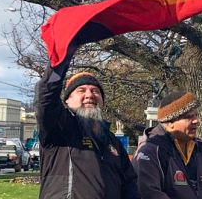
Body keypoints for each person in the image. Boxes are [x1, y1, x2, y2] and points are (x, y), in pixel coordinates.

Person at [36, 67, 139, 199]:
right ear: (67, 100)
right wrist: (58, 66)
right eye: (81, 90)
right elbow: (46, 98)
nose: (90, 95)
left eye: (95, 91)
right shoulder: (59, 128)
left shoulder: (112, 141)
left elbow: (129, 184)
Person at [132, 91, 202, 199]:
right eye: (189, 117)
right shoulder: (150, 151)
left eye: (196, 115)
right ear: (170, 124)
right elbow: (149, 192)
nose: (196, 121)